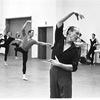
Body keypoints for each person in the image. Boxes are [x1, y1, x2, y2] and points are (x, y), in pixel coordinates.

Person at [48, 12, 84, 98]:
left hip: (65, 74)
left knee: (66, 96)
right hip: (53, 72)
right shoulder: (59, 39)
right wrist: (72, 13)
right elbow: (59, 22)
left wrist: (59, 64)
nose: (78, 36)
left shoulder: (75, 49)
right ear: (69, 32)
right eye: (76, 33)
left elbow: (74, 67)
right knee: (53, 96)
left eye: (79, 34)